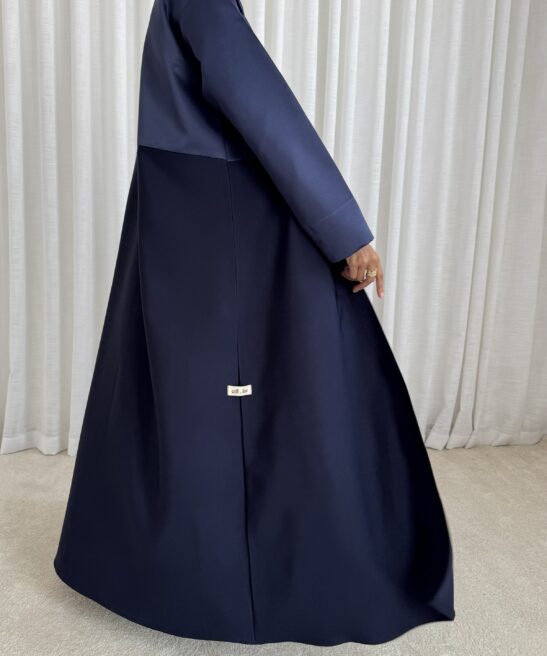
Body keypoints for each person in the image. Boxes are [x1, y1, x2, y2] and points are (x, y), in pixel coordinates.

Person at [53, 0, 455, 646]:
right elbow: (260, 106)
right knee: (264, 388)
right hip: (214, 212)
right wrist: (345, 231)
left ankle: (147, 562)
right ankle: (242, 579)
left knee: (179, 397)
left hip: (177, 202)